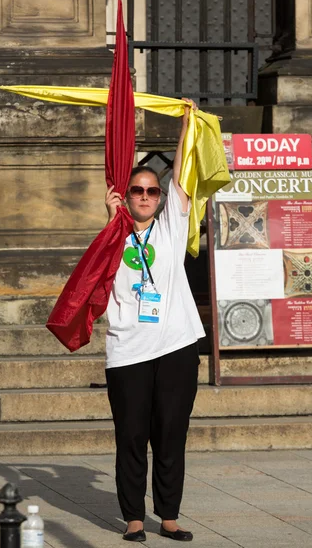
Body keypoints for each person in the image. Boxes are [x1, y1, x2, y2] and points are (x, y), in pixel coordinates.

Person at [105, 99, 205, 542]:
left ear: (160, 198)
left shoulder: (170, 229)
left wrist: (186, 125)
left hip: (177, 345)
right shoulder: (109, 240)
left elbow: (183, 173)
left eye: (152, 191)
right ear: (125, 197)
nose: (145, 196)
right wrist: (111, 221)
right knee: (131, 437)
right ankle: (133, 519)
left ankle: (169, 516)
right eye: (137, 191)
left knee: (170, 434)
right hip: (128, 351)